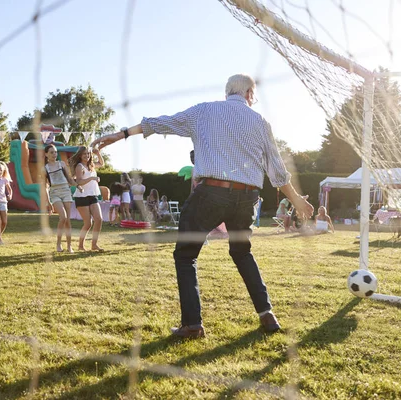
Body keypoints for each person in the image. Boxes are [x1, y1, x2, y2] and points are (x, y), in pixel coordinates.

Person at [92, 73, 314, 338]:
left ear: (227, 92)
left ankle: (193, 325)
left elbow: (163, 123)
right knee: (242, 253)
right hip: (247, 198)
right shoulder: (260, 122)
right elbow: (277, 172)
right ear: (249, 94)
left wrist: (122, 134)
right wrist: (297, 201)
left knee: (186, 255)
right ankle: (267, 315)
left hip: (211, 193)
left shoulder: (204, 111)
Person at [44, 144, 81, 253]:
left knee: (67, 221)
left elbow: (69, 179)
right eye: (51, 152)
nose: (54, 154)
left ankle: (69, 246)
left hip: (66, 191)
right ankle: (58, 244)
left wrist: (77, 186)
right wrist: (48, 202)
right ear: (46, 154)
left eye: (55, 152)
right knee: (63, 217)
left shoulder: (62, 164)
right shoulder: (45, 168)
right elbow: (45, 186)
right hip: (54, 193)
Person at [70, 146, 104, 251]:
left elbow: (102, 163)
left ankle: (94, 245)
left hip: (92, 195)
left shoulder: (91, 165)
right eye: (84, 154)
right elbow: (79, 181)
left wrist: (98, 153)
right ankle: (80, 246)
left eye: (88, 153)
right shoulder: (79, 166)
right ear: (80, 155)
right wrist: (92, 178)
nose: (87, 155)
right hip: (81, 197)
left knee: (99, 219)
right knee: (88, 223)